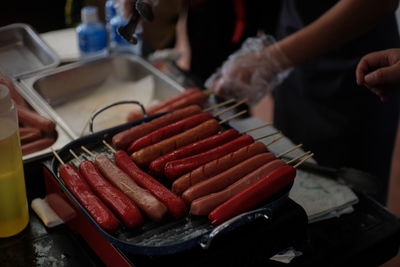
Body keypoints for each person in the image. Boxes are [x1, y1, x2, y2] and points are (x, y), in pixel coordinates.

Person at [205, 0, 400, 204]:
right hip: (295, 52)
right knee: (292, 179)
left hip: (352, 68)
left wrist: (273, 59)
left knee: (349, 205)